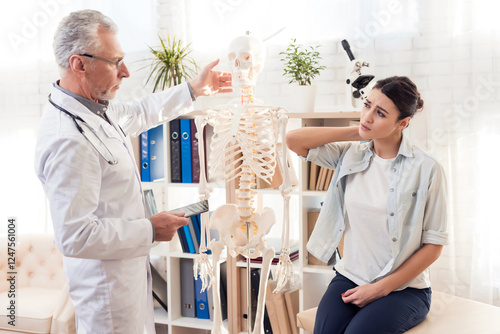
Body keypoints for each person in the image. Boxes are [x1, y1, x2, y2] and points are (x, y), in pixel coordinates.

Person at [34, 9, 232, 334]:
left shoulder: (96, 110)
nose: (125, 71)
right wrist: (151, 230)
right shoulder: (67, 139)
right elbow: (74, 236)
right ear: (79, 64)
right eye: (114, 62)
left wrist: (194, 90)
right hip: (106, 297)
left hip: (127, 280)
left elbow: (141, 112)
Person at [285, 76, 448, 334]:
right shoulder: (350, 154)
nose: (368, 116)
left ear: (403, 123)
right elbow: (294, 140)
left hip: (404, 290)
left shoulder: (427, 168)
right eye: (367, 105)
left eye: (380, 113)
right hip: (351, 276)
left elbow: (434, 245)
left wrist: (379, 289)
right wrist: (358, 130)